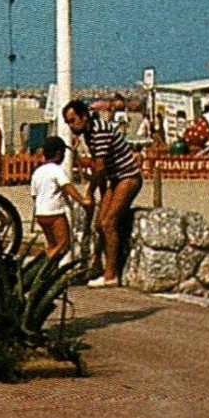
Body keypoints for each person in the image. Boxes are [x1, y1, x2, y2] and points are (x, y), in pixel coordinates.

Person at [63, 98, 142, 287]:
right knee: (99, 224)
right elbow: (101, 169)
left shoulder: (99, 131)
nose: (71, 126)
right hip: (114, 179)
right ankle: (100, 265)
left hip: (127, 177)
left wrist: (90, 193)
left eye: (73, 121)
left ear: (84, 116)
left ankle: (111, 275)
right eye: (68, 123)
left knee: (109, 223)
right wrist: (103, 196)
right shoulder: (89, 134)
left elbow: (98, 168)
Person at [29, 136, 88, 261]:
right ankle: (44, 264)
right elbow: (67, 187)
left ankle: (50, 269)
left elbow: (34, 195)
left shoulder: (37, 172)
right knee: (63, 244)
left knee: (52, 245)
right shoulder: (56, 170)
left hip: (41, 214)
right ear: (59, 154)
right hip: (55, 214)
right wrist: (82, 200)